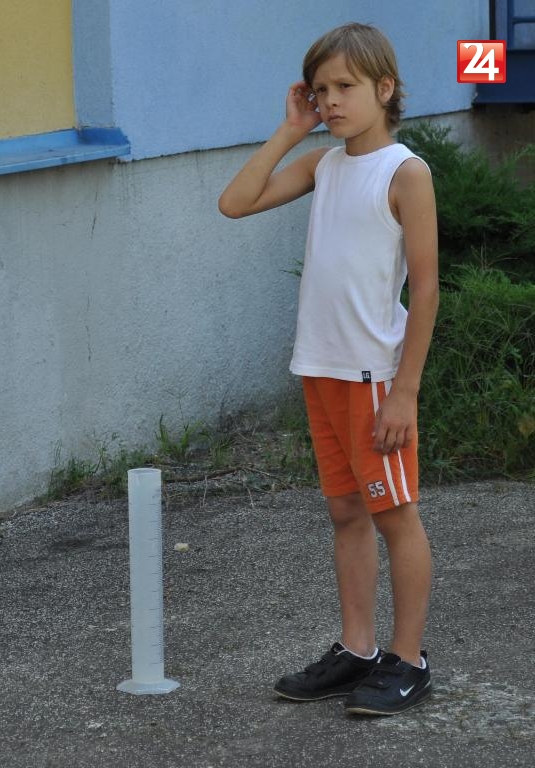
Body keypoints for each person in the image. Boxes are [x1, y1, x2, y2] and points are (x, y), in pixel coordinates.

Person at [218, 22, 439, 716]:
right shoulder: (322, 165)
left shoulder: (405, 172)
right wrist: (291, 130)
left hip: (374, 379)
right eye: (320, 90)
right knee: (346, 513)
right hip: (321, 368)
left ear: (385, 87)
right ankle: (357, 650)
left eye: (345, 86)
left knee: (395, 516)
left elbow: (427, 289)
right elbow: (235, 203)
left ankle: (409, 660)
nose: (331, 100)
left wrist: (405, 392)